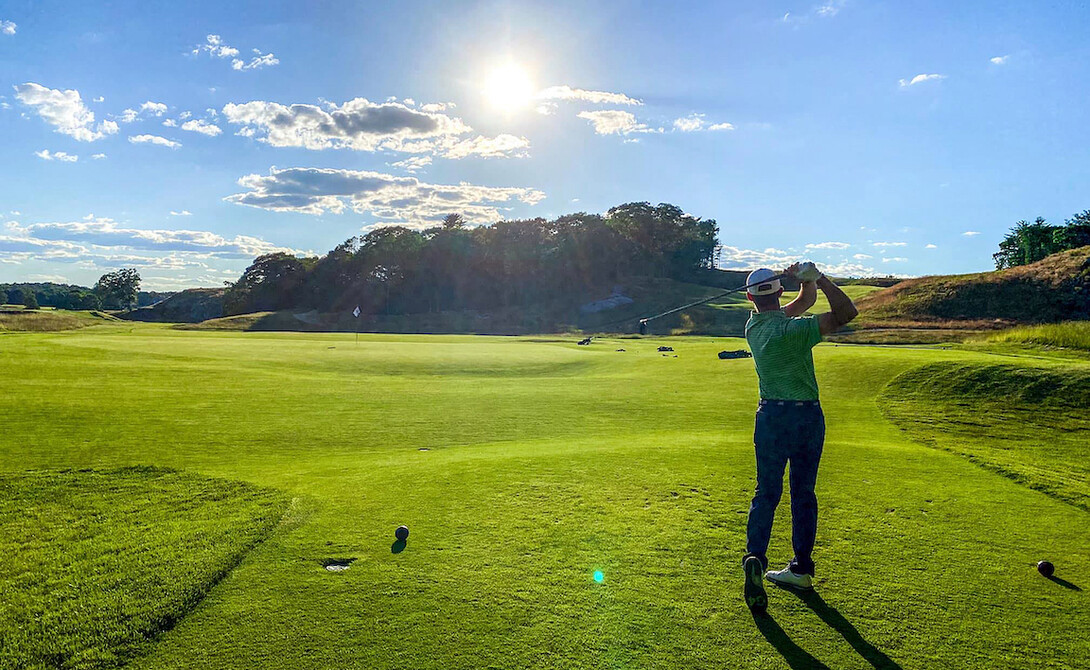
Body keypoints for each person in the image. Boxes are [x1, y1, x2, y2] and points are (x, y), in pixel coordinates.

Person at [740, 261, 858, 611]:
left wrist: (805, 284)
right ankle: (802, 569)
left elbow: (800, 304)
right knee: (803, 493)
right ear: (779, 292)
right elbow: (846, 312)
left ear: (749, 297)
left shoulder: (754, 327)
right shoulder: (797, 332)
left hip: (770, 417)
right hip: (806, 417)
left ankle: (756, 558)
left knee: (766, 492)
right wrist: (817, 278)